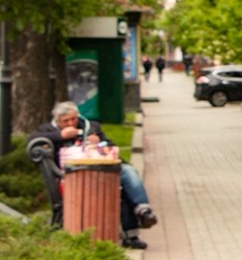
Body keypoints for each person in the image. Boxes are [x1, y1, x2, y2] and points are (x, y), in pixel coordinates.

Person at [36, 101, 159, 249]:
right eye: (66, 121)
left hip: (102, 170)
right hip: (73, 177)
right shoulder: (48, 130)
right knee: (120, 185)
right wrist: (60, 135)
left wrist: (100, 142)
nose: (71, 123)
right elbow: (34, 139)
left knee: (127, 172)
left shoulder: (91, 127)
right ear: (57, 121)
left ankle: (142, 212)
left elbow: (111, 146)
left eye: (73, 119)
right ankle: (133, 227)